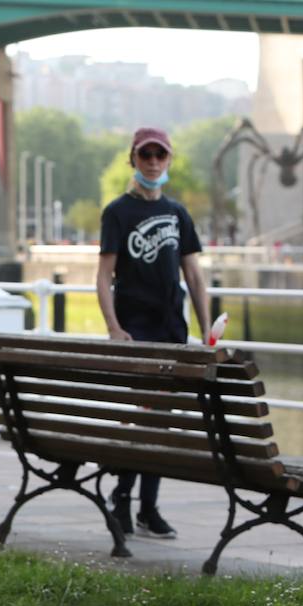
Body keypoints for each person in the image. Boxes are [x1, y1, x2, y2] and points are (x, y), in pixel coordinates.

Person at [95, 126, 210, 540]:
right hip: (135, 330)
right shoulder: (118, 212)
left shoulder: (179, 213)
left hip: (172, 331)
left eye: (160, 156)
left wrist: (206, 331)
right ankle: (124, 499)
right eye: (146, 156)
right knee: (142, 421)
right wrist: (114, 328)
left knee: (161, 423)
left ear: (169, 160)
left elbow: (194, 276)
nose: (154, 163)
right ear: (134, 160)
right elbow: (104, 276)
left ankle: (145, 508)